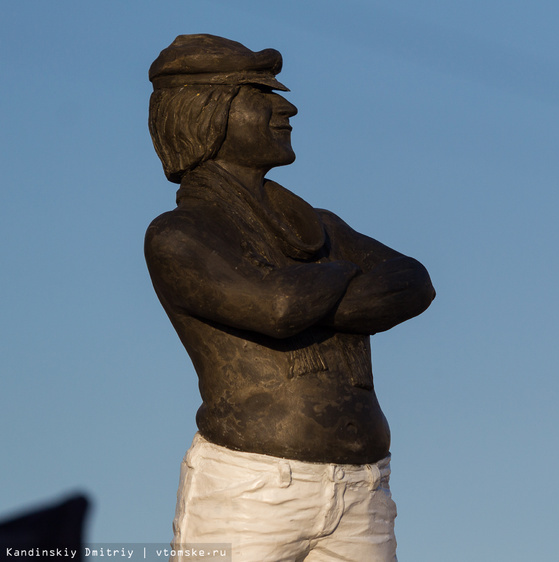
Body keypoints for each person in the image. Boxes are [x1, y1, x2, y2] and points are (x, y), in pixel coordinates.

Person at [145, 34, 435, 562]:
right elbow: (276, 310)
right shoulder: (178, 235)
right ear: (206, 112)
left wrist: (317, 287)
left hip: (363, 490)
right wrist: (342, 277)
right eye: (260, 92)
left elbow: (413, 281)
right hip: (251, 491)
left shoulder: (320, 227)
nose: (287, 105)